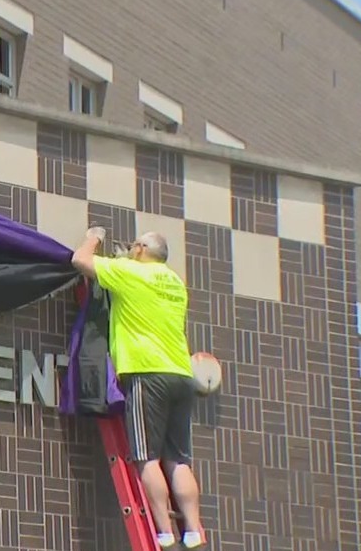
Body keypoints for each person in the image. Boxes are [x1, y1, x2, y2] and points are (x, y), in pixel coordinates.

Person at [70, 226, 206, 551]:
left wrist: (95, 236)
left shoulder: (130, 273)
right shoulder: (175, 282)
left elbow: (80, 260)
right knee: (179, 460)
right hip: (180, 374)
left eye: (134, 246)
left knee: (147, 457)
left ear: (142, 249)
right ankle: (194, 531)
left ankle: (165, 534)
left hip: (147, 373)